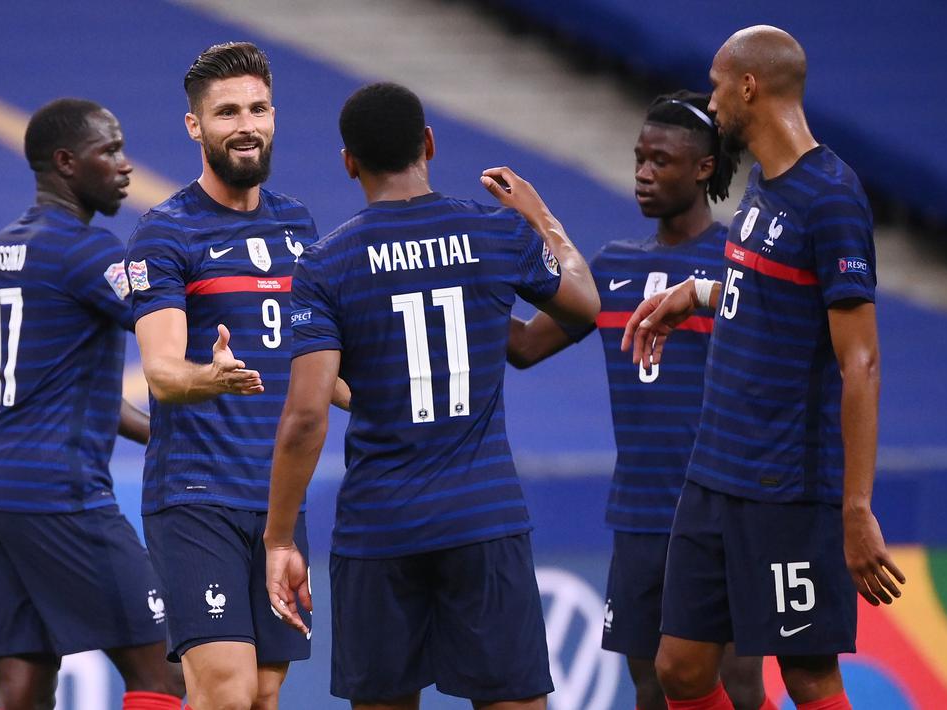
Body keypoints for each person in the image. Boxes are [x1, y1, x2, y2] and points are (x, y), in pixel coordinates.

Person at [263, 82, 600, 709]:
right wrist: (540, 216)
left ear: (348, 161)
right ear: (429, 143)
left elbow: (306, 416)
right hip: (483, 517)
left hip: (380, 529)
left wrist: (279, 539)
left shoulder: (326, 264)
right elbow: (584, 308)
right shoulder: (495, 233)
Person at [622, 26, 906, 710]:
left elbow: (859, 360)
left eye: (718, 85)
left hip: (786, 489)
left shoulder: (830, 198)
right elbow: (773, 300)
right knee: (680, 669)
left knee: (806, 677)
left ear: (749, 86)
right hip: (713, 474)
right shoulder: (760, 185)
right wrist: (694, 294)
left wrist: (856, 508)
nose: (711, 102)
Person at [507, 91, 771, 710]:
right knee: (650, 686)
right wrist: (467, 285)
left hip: (726, 511)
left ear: (705, 168)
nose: (644, 174)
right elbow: (522, 347)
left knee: (737, 684)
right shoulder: (614, 267)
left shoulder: (741, 262)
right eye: (639, 159)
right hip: (642, 513)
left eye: (662, 161)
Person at [0, 97, 184, 710]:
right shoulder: (86, 252)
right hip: (57, 494)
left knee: (21, 690)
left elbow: (80, 395)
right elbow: (166, 322)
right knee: (165, 673)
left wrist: (164, 437)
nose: (125, 165)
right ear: (65, 162)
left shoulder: (8, 247)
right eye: (108, 151)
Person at [126, 42, 327, 710]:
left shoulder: (300, 225)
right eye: (227, 111)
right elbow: (160, 371)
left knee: (266, 694)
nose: (246, 123)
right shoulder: (165, 234)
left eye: (258, 107)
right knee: (227, 691)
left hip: (277, 502)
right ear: (195, 127)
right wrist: (209, 377)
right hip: (196, 497)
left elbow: (324, 365)